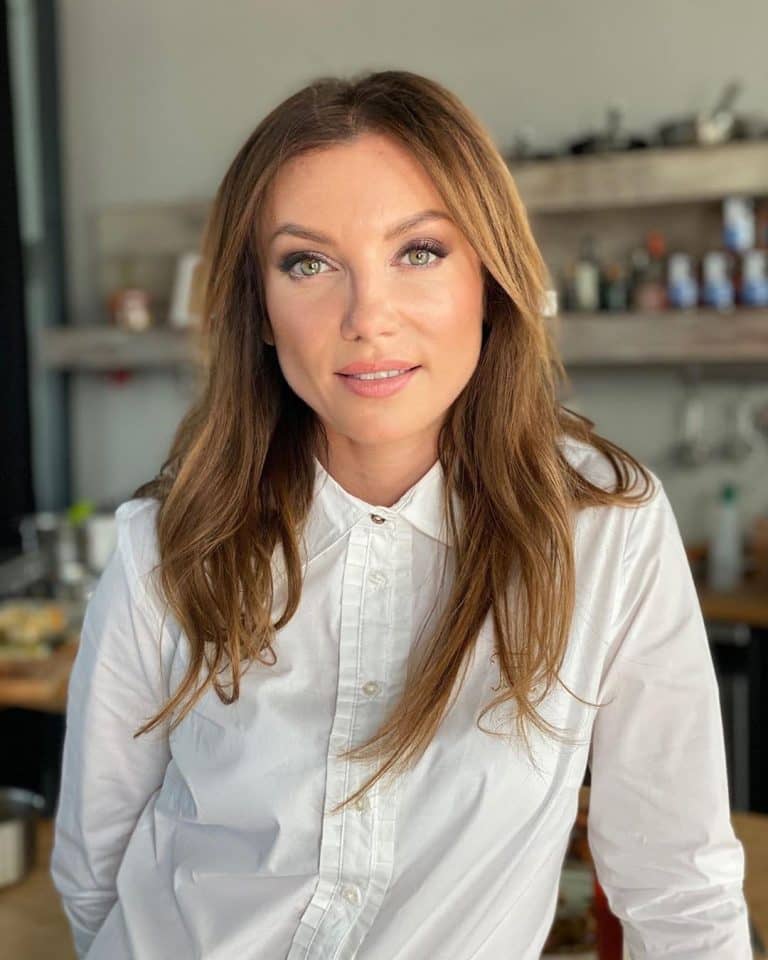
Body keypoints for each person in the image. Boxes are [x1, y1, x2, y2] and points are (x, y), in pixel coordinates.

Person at [50, 69, 751, 959]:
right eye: (308, 263)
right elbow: (96, 870)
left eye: (419, 251)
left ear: (489, 277)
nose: (367, 317)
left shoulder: (604, 529)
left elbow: (678, 886)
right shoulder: (166, 543)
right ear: (260, 309)